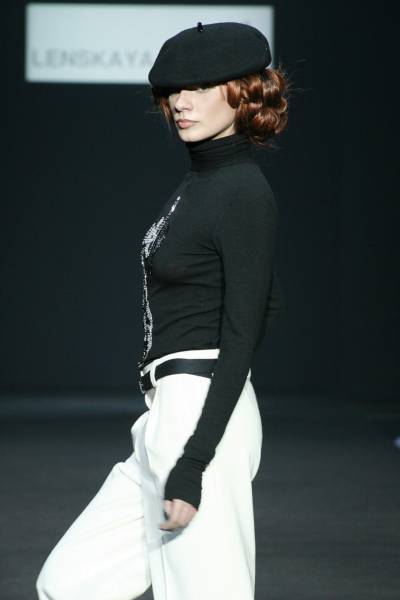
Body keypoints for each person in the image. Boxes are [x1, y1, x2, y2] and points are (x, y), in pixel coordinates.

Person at [36, 21, 289, 600]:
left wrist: (196, 458)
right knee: (68, 583)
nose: (181, 101)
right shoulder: (202, 183)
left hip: (202, 415)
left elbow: (244, 329)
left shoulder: (242, 191)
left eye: (200, 86)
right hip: (166, 413)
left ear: (243, 92)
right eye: (173, 89)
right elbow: (268, 298)